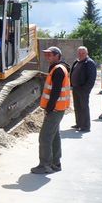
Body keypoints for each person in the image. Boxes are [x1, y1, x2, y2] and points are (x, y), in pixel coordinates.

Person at [31, 46, 71, 174]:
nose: (47, 57)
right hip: (58, 108)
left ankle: (45, 165)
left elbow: (55, 91)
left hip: (55, 109)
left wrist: (49, 108)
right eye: (46, 54)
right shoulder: (59, 68)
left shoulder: (58, 70)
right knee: (54, 136)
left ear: (57, 56)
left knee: (45, 137)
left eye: (50, 55)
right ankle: (55, 163)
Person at [70, 46, 97, 132]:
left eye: (83, 53)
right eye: (79, 53)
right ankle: (79, 124)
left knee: (84, 107)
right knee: (77, 106)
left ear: (87, 53)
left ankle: (86, 126)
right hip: (75, 88)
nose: (81, 55)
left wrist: (85, 89)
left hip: (83, 89)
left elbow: (91, 79)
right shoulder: (77, 62)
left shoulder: (89, 63)